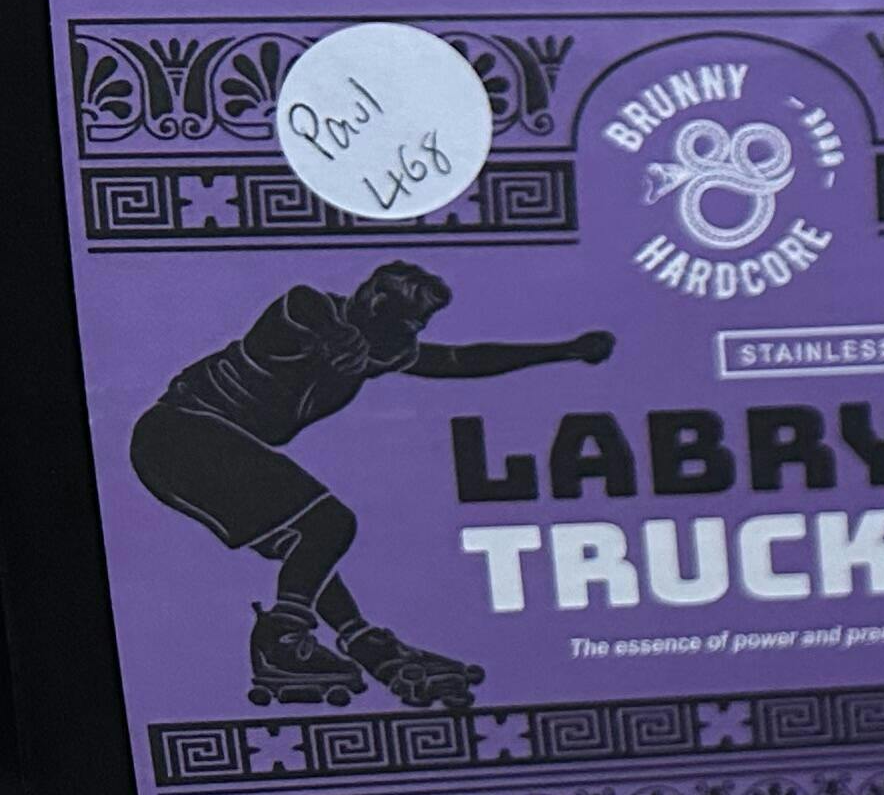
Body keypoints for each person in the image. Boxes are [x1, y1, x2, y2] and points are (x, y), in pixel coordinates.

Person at [130, 259, 611, 709]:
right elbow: (300, 301)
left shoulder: (384, 350)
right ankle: (280, 640)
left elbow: (462, 360)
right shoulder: (302, 322)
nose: (407, 339)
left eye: (415, 330)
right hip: (180, 434)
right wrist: (335, 333)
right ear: (372, 304)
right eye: (403, 325)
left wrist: (563, 350)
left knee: (304, 546)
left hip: (191, 451)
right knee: (329, 523)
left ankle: (359, 637)